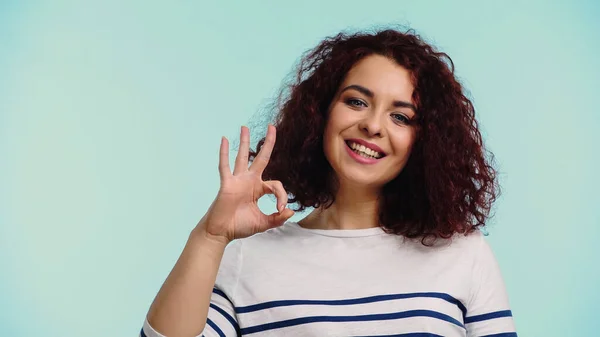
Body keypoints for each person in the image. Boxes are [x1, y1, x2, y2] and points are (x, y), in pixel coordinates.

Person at [141, 28, 517, 337]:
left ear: (426, 142)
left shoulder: (462, 253)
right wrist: (210, 237)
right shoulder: (246, 259)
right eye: (356, 102)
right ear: (321, 113)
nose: (373, 125)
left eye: (401, 117)